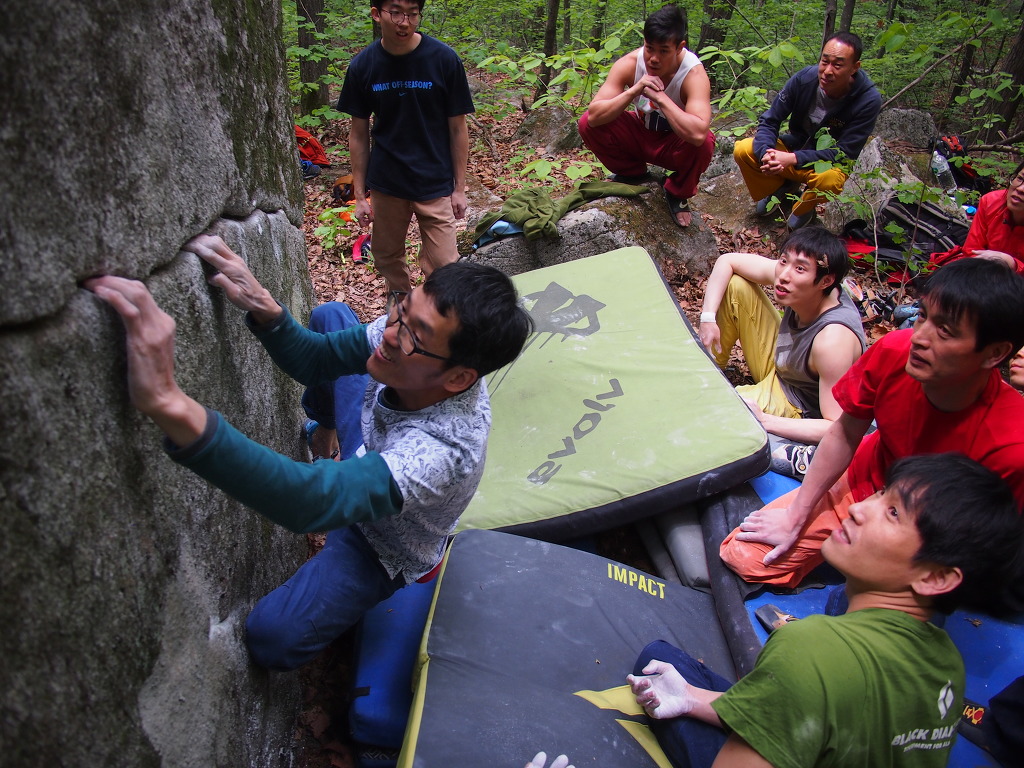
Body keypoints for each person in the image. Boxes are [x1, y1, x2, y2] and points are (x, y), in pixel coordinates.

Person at [86, 234, 531, 671]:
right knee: (331, 317)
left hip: (380, 541)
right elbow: (317, 359)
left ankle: (363, 525)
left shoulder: (445, 450)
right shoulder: (405, 336)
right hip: (368, 450)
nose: (391, 333)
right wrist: (264, 305)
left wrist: (170, 403)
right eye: (402, 307)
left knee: (273, 638)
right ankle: (326, 436)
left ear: (458, 378)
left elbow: (311, 502)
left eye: (414, 333)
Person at [629, 453, 1024, 768]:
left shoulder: (810, 648)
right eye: (880, 493)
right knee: (688, 686)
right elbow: (824, 719)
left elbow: (811, 694)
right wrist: (692, 698)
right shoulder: (948, 663)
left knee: (657, 657)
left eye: (893, 513)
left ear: (936, 578)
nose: (859, 508)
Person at [718, 257, 1024, 588]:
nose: (920, 338)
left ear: (995, 354)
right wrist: (797, 515)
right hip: (867, 473)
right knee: (745, 556)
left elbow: (986, 538)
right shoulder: (895, 350)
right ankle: (816, 472)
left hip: (921, 523)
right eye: (922, 316)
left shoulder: (1011, 444)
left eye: (945, 332)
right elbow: (844, 431)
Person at [699, 227, 865, 477]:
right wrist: (707, 318)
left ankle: (711, 398)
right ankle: (706, 371)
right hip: (784, 361)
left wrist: (766, 421)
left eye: (800, 269)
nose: (783, 276)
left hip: (796, 402)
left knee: (712, 408)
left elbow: (837, 426)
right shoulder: (792, 280)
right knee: (737, 286)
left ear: (826, 281)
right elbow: (728, 261)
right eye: (784, 261)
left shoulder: (833, 340)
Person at [338, 0, 474, 294]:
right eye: (396, 12)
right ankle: (400, 306)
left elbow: (458, 127)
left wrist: (459, 188)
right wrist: (360, 195)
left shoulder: (443, 59)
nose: (405, 22)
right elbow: (358, 134)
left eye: (413, 14)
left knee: (445, 265)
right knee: (386, 255)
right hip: (388, 180)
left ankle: (433, 309)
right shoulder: (364, 65)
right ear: (377, 14)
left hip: (434, 179)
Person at [577, 4, 713, 228]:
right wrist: (634, 90)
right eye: (650, 48)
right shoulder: (630, 63)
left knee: (705, 142)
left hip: (673, 144)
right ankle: (633, 173)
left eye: (663, 51)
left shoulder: (693, 74)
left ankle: (677, 191)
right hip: (640, 135)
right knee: (586, 123)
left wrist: (661, 98)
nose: (654, 58)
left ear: (680, 47)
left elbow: (698, 134)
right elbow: (594, 117)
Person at [733, 32, 881, 231]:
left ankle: (805, 206)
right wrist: (767, 154)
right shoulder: (805, 79)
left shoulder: (867, 100)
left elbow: (844, 154)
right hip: (794, 147)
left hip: (824, 165)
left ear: (855, 67)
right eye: (824, 61)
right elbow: (770, 120)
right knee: (743, 149)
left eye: (837, 65)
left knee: (830, 181)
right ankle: (780, 187)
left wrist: (792, 159)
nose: (827, 71)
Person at [962, 159, 1024, 273]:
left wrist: (1013, 264)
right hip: (984, 274)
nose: (1020, 188)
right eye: (1020, 178)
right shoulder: (991, 202)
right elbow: (971, 252)